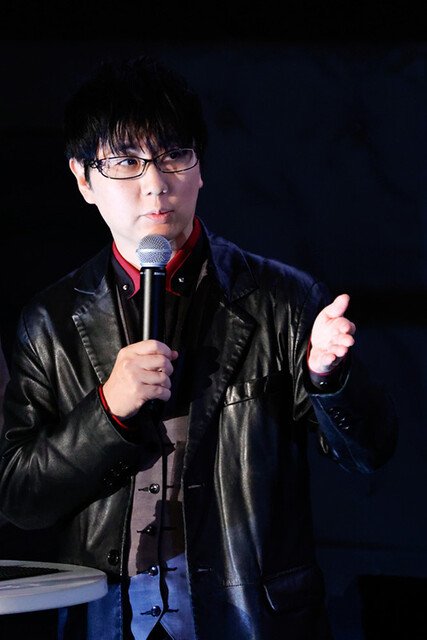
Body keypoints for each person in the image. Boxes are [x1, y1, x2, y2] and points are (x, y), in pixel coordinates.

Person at [0, 56, 396, 640]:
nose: (156, 184)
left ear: (200, 167)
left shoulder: (283, 299)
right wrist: (106, 411)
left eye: (173, 156)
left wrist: (327, 377)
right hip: (106, 619)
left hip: (250, 620)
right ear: (83, 180)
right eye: (126, 162)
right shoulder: (50, 321)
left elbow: (371, 452)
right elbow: (18, 498)